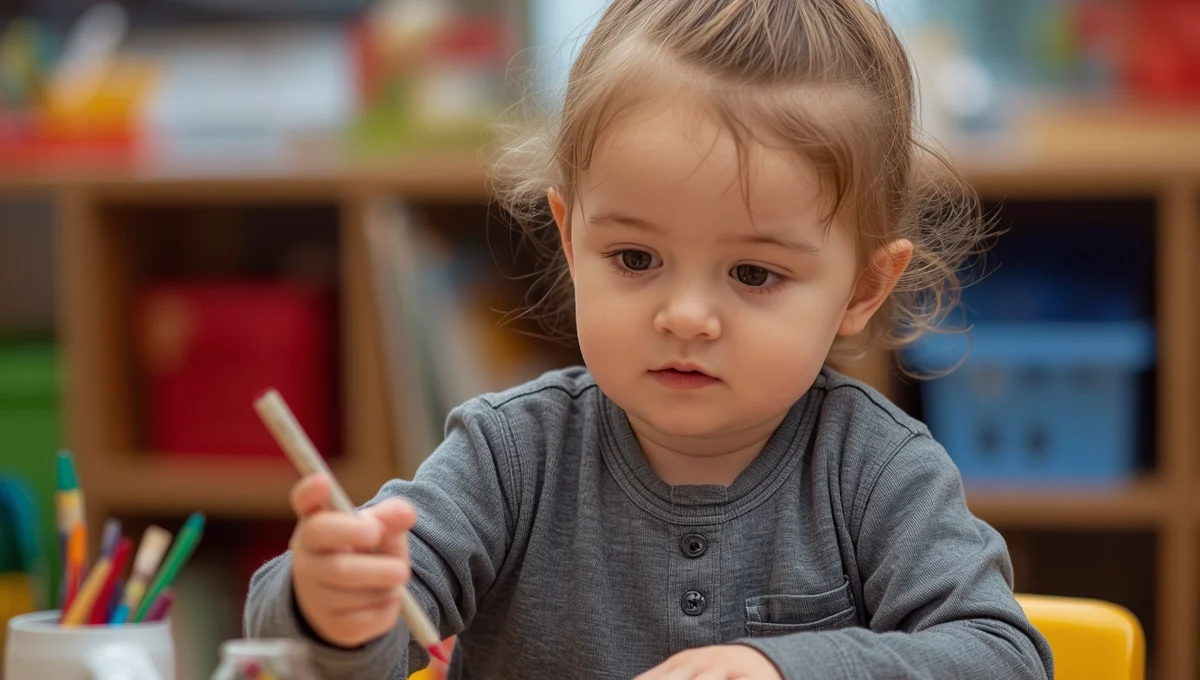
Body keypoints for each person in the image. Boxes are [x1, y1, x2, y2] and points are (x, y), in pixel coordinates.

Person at [244, 1, 1054, 678]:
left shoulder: (879, 474)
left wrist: (783, 668)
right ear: (569, 241)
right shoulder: (508, 460)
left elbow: (1002, 657)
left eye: (754, 275)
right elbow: (335, 642)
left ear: (863, 288)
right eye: (636, 259)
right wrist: (330, 608)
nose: (685, 317)